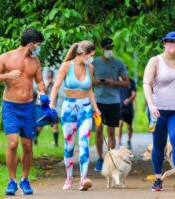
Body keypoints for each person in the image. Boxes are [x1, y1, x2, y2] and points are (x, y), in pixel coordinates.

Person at [0, 28, 48, 195]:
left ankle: (25, 180)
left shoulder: (35, 61)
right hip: (11, 106)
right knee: (13, 143)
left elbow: (40, 81)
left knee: (27, 145)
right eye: (38, 45)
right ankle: (12, 181)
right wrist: (6, 76)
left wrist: (43, 94)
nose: (39, 48)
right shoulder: (6, 57)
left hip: (28, 107)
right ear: (31, 44)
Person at [49, 40, 101, 191]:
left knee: (84, 142)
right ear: (83, 54)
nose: (92, 58)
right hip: (69, 109)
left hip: (85, 108)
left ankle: (83, 178)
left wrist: (95, 107)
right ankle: (69, 178)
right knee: (69, 145)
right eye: (91, 55)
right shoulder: (66, 66)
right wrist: (51, 102)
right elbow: (56, 85)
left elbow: (89, 89)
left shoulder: (89, 67)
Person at [143, 31, 175, 191]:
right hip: (158, 110)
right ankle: (157, 179)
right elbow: (146, 84)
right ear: (164, 43)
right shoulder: (155, 61)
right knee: (159, 144)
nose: (174, 45)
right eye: (170, 42)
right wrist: (151, 105)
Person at [92, 38, 129, 172]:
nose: (109, 50)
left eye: (111, 47)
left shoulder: (119, 63)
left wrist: (112, 82)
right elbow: (86, 81)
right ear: (101, 48)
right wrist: (94, 83)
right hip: (98, 101)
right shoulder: (94, 63)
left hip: (113, 101)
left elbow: (127, 83)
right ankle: (100, 157)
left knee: (111, 131)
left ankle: (110, 158)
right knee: (98, 129)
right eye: (107, 48)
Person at [34, 70, 60, 146]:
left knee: (55, 124)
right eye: (49, 76)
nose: (50, 77)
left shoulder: (55, 84)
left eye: (51, 76)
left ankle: (56, 143)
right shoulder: (44, 82)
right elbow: (42, 92)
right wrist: (48, 84)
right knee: (40, 125)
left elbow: (56, 96)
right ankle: (34, 139)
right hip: (42, 106)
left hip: (51, 107)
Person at [118, 78, 137, 149]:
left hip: (128, 108)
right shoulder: (116, 81)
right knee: (120, 124)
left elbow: (134, 94)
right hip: (119, 107)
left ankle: (129, 141)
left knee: (129, 126)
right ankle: (119, 142)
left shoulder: (131, 81)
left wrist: (129, 100)